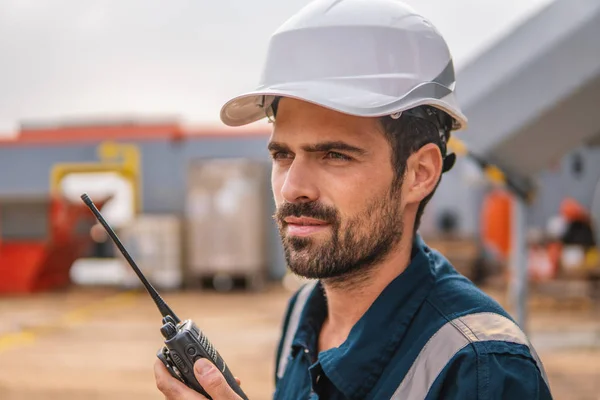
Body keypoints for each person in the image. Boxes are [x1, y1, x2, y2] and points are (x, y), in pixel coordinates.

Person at [154, 0, 553, 398]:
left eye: (335, 156)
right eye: (283, 155)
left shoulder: (483, 369)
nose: (293, 188)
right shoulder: (303, 316)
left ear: (420, 174)